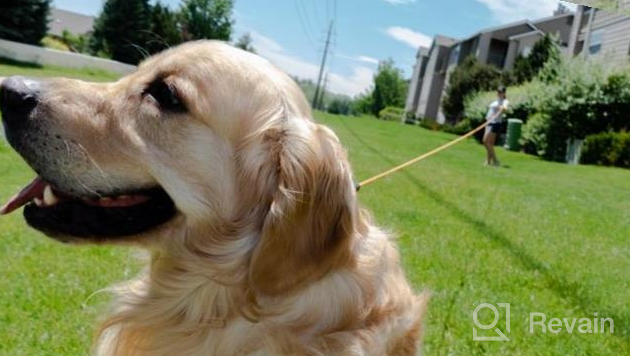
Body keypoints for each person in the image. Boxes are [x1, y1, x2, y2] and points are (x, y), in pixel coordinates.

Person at [483, 86, 508, 167]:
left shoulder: (505, 101)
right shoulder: (496, 101)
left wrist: (501, 108)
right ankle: (488, 161)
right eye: (498, 92)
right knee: (489, 143)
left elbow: (504, 109)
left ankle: (496, 161)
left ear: (504, 93)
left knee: (486, 142)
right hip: (489, 122)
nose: (499, 93)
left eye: (500, 92)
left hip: (495, 123)